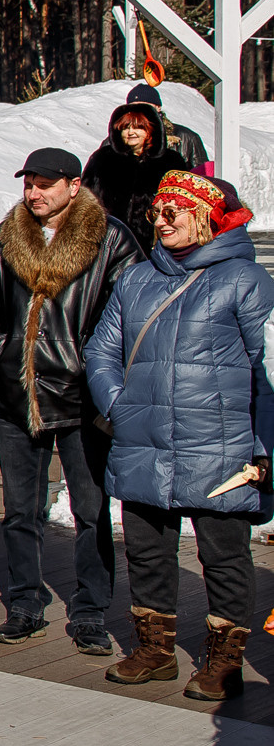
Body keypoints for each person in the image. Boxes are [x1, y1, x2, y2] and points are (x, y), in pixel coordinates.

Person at [87, 172, 274, 699]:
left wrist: (268, 448)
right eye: (158, 211)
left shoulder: (245, 281)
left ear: (208, 216)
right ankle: (154, 651)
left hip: (223, 447)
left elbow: (272, 370)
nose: (162, 219)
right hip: (144, 440)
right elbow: (101, 350)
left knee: (224, 555)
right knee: (145, 550)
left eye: (176, 210)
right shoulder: (136, 279)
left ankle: (225, 661)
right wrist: (120, 405)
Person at [0, 147, 142, 650]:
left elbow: (126, 310)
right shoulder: (8, 236)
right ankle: (25, 603)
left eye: (45, 183)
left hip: (82, 397)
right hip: (16, 394)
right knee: (20, 511)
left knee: (91, 512)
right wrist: (5, 352)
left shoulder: (111, 237)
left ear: (74, 184)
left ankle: (90, 609)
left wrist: (92, 366)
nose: (34, 192)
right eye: (29, 183)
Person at [82, 92, 189, 254]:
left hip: (160, 248)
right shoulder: (103, 160)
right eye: (125, 128)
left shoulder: (171, 162)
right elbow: (85, 201)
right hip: (110, 247)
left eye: (138, 127)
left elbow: (185, 206)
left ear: (150, 130)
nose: (130, 132)